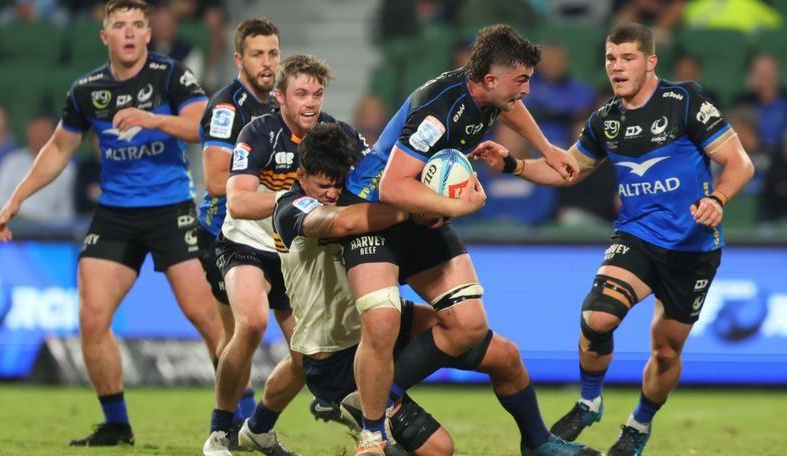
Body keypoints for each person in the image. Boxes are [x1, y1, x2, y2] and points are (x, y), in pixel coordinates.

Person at [474, 22, 754, 455]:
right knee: (597, 316)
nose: (617, 67)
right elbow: (566, 169)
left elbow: (739, 163)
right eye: (610, 58)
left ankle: (639, 425)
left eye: (627, 58)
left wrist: (718, 199)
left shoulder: (684, 103)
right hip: (637, 236)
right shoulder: (605, 120)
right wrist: (514, 164)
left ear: (650, 61)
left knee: (665, 351)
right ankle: (589, 402)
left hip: (692, 247)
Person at [273, 123, 601, 456]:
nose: (331, 194)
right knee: (439, 450)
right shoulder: (290, 209)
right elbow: (342, 222)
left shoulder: (361, 198)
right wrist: (421, 206)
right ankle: (368, 415)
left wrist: (430, 203)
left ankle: (538, 443)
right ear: (301, 175)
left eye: (337, 185)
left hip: (388, 326)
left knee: (505, 355)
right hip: (336, 358)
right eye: (323, 186)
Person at [341, 23, 585, 455]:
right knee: (381, 324)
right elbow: (392, 186)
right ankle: (372, 431)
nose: (527, 90)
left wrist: (546, 149)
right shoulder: (437, 111)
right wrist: (455, 208)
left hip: (421, 213)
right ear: (489, 79)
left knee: (470, 325)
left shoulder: (489, 96)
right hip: (373, 215)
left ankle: (385, 396)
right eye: (521, 80)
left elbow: (510, 109)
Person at [0, 0, 223, 447]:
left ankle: (242, 418)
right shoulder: (87, 90)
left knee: (206, 317)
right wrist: (17, 198)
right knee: (92, 317)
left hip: (171, 208)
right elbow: (59, 149)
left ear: (149, 34)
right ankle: (116, 425)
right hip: (115, 214)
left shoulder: (169, 75)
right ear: (105, 37)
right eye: (120, 25)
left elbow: (203, 125)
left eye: (138, 24)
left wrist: (152, 119)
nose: (130, 32)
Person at [203, 53, 370, 456]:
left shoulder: (336, 136)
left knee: (305, 356)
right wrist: (293, 198)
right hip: (247, 245)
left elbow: (372, 177)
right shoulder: (258, 133)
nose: (311, 103)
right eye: (301, 94)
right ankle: (220, 432)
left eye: (317, 93)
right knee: (252, 323)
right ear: (279, 96)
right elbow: (238, 202)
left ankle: (258, 429)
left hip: (295, 258)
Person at [196, 16, 279, 447]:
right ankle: (232, 424)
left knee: (251, 334)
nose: (267, 63)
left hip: (266, 233)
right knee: (240, 333)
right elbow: (215, 181)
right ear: (238, 59)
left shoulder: (280, 104)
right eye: (257, 54)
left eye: (273, 54)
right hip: (222, 235)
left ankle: (245, 425)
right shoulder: (228, 108)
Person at [0, 115, 75, 222]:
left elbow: (66, 212)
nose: (38, 137)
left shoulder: (66, 169)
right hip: (13, 224)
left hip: (47, 228)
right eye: (34, 133)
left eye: (42, 133)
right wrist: (20, 216)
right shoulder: (11, 162)